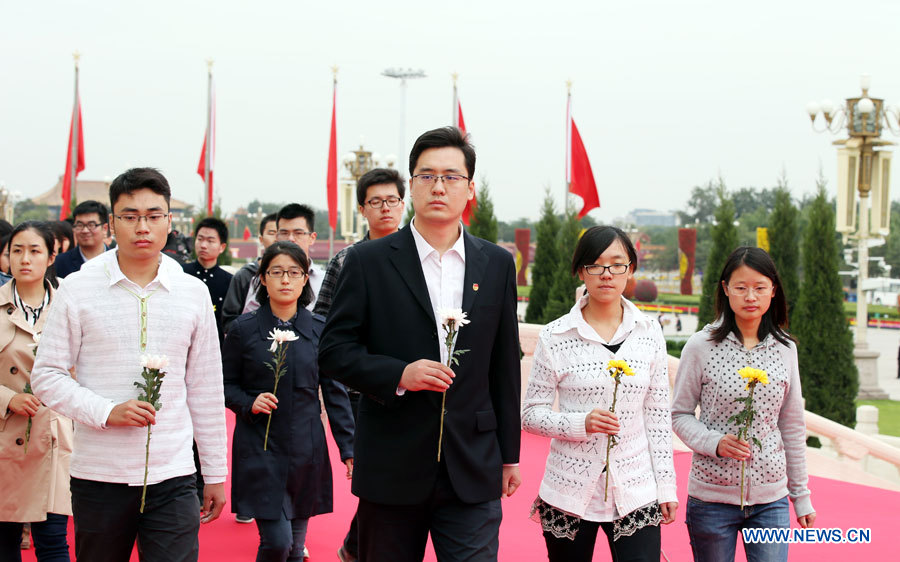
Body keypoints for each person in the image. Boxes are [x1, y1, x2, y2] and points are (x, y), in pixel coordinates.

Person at [319, 126, 522, 562]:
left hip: (471, 465)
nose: (438, 186)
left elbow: (504, 365)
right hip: (391, 466)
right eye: (427, 175)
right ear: (411, 185)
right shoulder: (367, 261)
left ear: (470, 189)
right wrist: (399, 374)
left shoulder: (498, 263)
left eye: (451, 176)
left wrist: (509, 455)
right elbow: (334, 351)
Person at [31, 167, 228, 562]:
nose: (143, 227)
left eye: (154, 216)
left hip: (173, 474)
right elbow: (47, 375)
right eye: (130, 216)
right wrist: (106, 411)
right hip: (98, 476)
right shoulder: (78, 288)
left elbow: (205, 389)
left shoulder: (192, 293)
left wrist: (216, 473)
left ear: (170, 222)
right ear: (112, 224)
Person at [522, 225, 678, 562]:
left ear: (630, 269)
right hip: (568, 490)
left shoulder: (649, 333)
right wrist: (582, 423)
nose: (606, 274)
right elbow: (530, 414)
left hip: (636, 489)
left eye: (617, 264)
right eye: (595, 264)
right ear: (581, 271)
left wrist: (666, 487)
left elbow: (658, 418)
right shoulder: (556, 336)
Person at [671, 247, 815, 562]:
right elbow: (679, 415)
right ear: (725, 289)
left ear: (773, 291)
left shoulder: (785, 349)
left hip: (771, 500)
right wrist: (714, 442)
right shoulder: (700, 346)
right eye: (741, 287)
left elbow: (791, 424)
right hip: (711, 501)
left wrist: (800, 497)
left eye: (760, 287)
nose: (751, 296)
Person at [224, 241, 354, 561]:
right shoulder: (243, 330)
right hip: (260, 447)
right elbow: (225, 385)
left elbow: (335, 393)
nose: (285, 279)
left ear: (305, 279)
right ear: (262, 278)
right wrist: (249, 402)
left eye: (294, 272)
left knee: (296, 550)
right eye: (277, 272)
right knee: (278, 543)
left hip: (306, 450)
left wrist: (349, 449)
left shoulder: (320, 330)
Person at [312, 167, 406, 562]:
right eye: (375, 202)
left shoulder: (423, 258)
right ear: (363, 209)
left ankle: (355, 545)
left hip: (411, 387)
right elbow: (323, 324)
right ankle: (357, 547)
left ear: (403, 204)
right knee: (374, 478)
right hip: (358, 392)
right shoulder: (347, 260)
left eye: (392, 200)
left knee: (401, 479)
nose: (385, 208)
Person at [0, 221, 72, 562]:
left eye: (34, 251)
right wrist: (7, 398)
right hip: (4, 436)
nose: (24, 259)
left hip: (54, 437)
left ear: (51, 256)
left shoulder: (70, 307)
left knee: (54, 541)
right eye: (17, 250)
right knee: (4, 540)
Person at [222, 213, 278, 333]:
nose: (277, 238)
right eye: (272, 233)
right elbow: (229, 321)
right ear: (261, 239)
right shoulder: (245, 276)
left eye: (281, 233)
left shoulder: (296, 276)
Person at [182, 217, 233, 343]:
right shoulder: (181, 273)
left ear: (222, 247)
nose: (203, 245)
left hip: (216, 344)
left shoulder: (229, 281)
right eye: (200, 239)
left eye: (210, 241)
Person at [275, 204, 323, 307]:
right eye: (284, 233)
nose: (291, 238)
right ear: (276, 237)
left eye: (298, 233)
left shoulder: (325, 281)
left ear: (312, 237)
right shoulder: (261, 279)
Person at [53, 200, 110, 278]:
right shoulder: (60, 262)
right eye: (80, 225)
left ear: (104, 228)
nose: (85, 230)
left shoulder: (118, 261)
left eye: (91, 225)